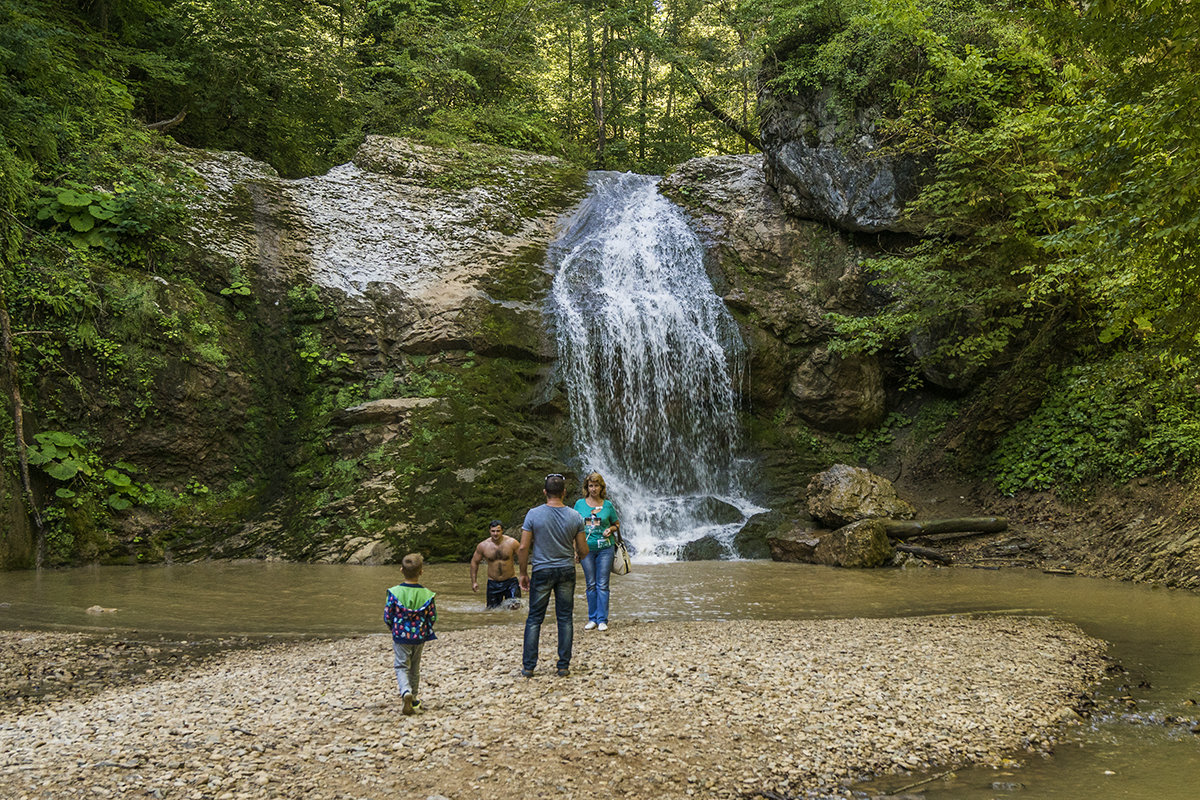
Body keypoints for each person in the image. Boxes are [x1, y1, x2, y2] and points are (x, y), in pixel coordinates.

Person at [518, 473, 587, 678]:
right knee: (565, 618)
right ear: (564, 492)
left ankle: (529, 667)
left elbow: (523, 547)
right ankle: (563, 666)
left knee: (534, 619)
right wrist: (577, 554)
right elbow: (583, 550)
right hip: (566, 569)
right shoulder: (575, 516)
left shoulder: (533, 514)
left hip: (541, 570)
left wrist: (522, 573)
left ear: (545, 492)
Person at [384, 553, 437, 716]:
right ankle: (413, 698)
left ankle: (405, 691)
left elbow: (388, 615)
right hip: (419, 636)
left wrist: (392, 628)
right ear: (421, 572)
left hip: (400, 636)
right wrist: (424, 628)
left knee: (401, 665)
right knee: (415, 667)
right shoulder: (427, 594)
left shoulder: (394, 592)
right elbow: (432, 616)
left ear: (401, 570)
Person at [573, 471, 621, 631]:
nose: (593, 489)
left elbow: (617, 523)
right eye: (591, 486)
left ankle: (602, 620)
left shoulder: (607, 505)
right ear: (587, 487)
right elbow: (575, 529)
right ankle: (592, 618)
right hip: (586, 550)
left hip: (605, 549)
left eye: (596, 486)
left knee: (602, 584)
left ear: (602, 487)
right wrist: (576, 550)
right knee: (591, 584)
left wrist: (611, 529)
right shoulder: (579, 504)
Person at [470, 520, 522, 609]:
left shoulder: (512, 543)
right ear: (489, 531)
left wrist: (523, 576)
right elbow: (474, 562)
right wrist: (474, 582)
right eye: (493, 531)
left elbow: (522, 558)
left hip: (511, 582)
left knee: (515, 608)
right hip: (493, 583)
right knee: (492, 611)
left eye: (498, 531)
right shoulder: (483, 546)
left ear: (502, 531)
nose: (495, 534)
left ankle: (513, 623)